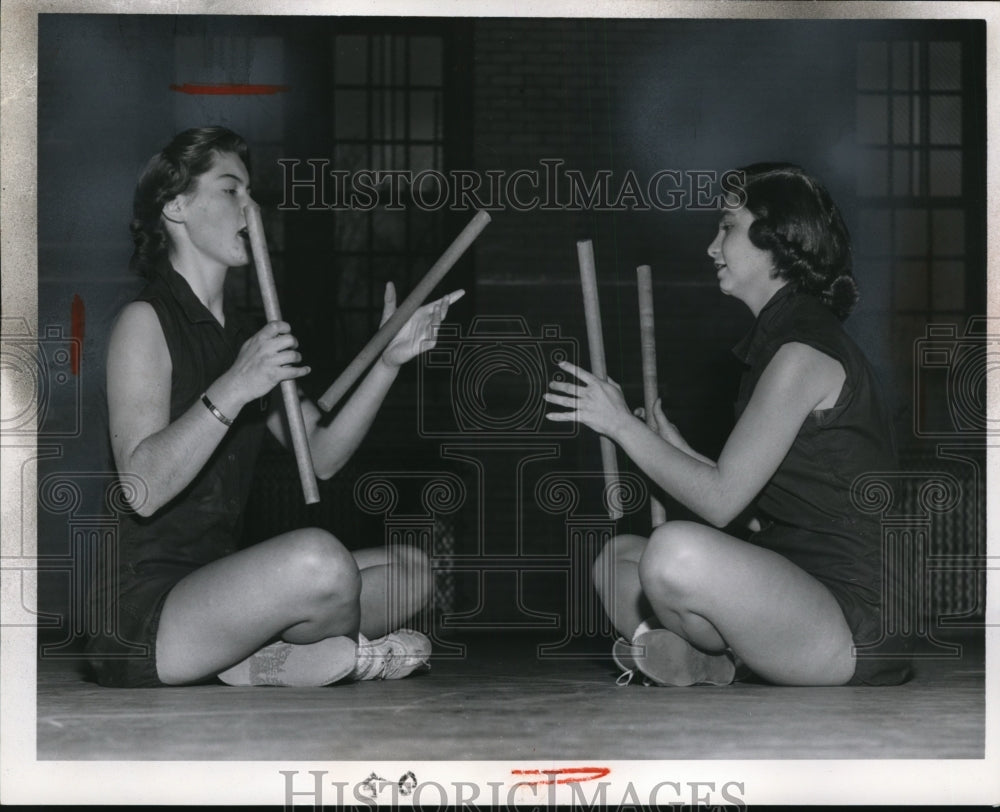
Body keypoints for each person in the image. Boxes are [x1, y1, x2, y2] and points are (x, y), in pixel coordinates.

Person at [85, 126, 463, 688]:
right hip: (144, 615)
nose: (251, 207)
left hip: (224, 587)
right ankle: (294, 654)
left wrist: (389, 361)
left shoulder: (241, 335)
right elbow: (142, 488)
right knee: (321, 560)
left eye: (251, 191)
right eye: (231, 189)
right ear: (177, 206)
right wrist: (237, 385)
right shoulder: (146, 322)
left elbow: (323, 458)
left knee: (415, 573)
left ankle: (261, 658)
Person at [545, 163, 911, 687]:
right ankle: (707, 663)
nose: (712, 247)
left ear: (776, 239)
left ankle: (724, 658)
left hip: (853, 623)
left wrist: (623, 426)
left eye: (726, 227)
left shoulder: (800, 353)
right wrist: (667, 445)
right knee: (618, 556)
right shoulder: (787, 339)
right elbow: (748, 498)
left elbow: (721, 502)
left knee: (674, 551)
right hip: (793, 587)